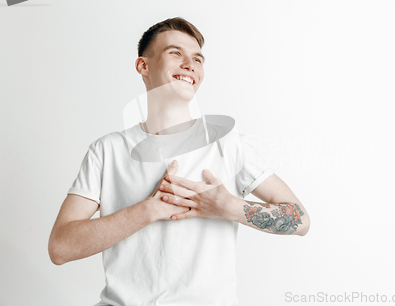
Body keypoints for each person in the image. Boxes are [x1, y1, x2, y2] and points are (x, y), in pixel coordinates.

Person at [48, 17, 310, 306]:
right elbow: (60, 248)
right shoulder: (107, 150)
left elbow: (300, 220)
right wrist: (148, 210)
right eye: (175, 53)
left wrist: (229, 207)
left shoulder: (229, 144)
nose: (190, 64)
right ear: (143, 66)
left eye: (198, 59)